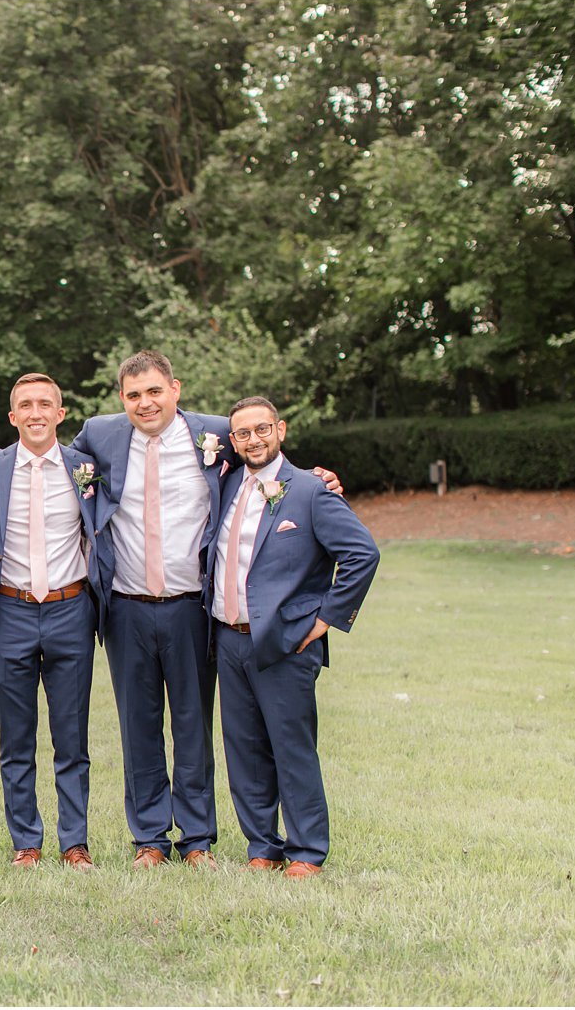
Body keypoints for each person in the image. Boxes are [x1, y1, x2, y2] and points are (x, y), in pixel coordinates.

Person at [71, 350, 339, 870]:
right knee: (138, 726)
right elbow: (51, 457)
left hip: (192, 607)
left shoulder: (215, 434)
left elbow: (267, 456)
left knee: (193, 723)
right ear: (121, 399)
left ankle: (196, 839)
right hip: (124, 606)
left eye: (154, 391)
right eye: (133, 395)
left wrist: (316, 477)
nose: (145, 403)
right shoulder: (100, 434)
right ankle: (149, 838)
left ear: (176, 389)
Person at [207, 396, 378, 877]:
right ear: (233, 441)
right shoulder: (225, 487)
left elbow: (362, 553)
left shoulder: (309, 490)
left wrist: (325, 619)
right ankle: (262, 847)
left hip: (286, 641)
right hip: (229, 638)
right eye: (242, 433)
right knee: (244, 749)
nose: (253, 439)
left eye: (262, 429)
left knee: (291, 747)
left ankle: (306, 852)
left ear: (279, 429)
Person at [0, 373, 103, 869]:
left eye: (44, 404)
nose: (35, 413)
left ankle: (75, 842)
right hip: (9, 609)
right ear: (12, 417)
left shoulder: (86, 469)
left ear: (60, 412)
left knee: (72, 736)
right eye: (25, 405)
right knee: (16, 738)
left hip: (71, 608)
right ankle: (26, 841)